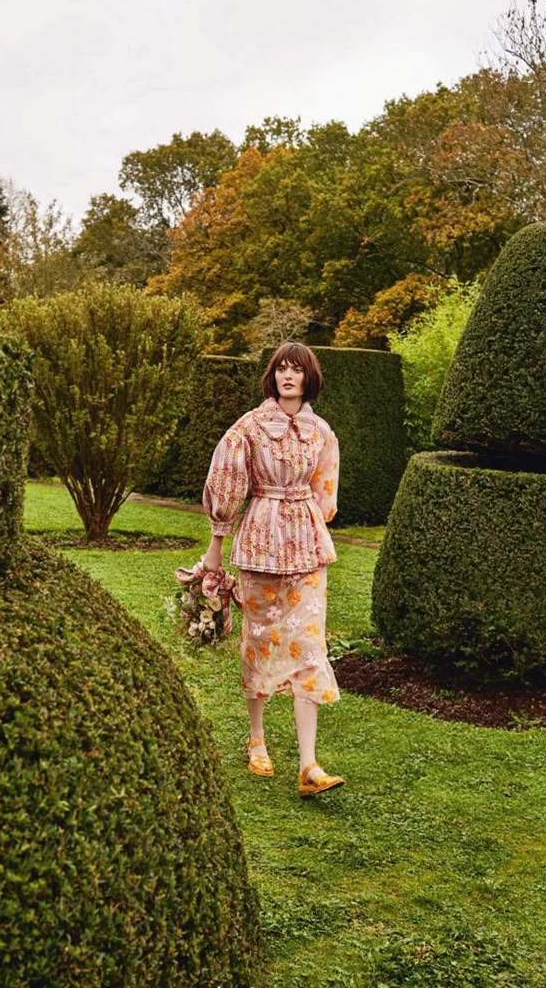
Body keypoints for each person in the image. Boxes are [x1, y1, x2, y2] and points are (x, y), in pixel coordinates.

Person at [201, 342, 345, 798]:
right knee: (259, 641)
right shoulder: (249, 427)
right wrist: (214, 549)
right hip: (260, 542)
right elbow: (226, 481)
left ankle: (309, 765)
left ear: (308, 378)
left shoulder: (321, 431)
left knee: (308, 644)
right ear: (273, 376)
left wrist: (305, 525)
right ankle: (257, 739)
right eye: (281, 369)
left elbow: (326, 494)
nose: (288, 376)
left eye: (296, 370)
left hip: (306, 547)